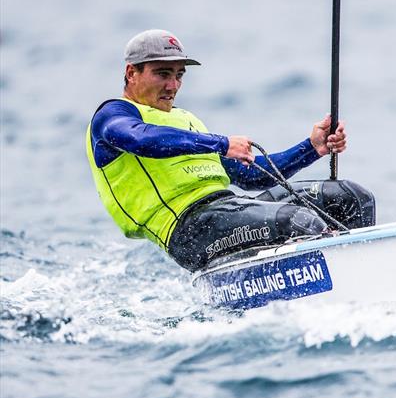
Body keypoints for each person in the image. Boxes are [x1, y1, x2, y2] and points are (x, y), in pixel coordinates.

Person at [86, 29, 375, 272]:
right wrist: (222, 144)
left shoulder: (186, 120)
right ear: (131, 73)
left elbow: (252, 178)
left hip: (228, 208)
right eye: (162, 74)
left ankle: (365, 276)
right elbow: (141, 140)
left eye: (179, 75)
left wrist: (312, 148)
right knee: (299, 222)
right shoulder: (113, 116)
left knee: (350, 197)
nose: (173, 85)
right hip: (187, 230)